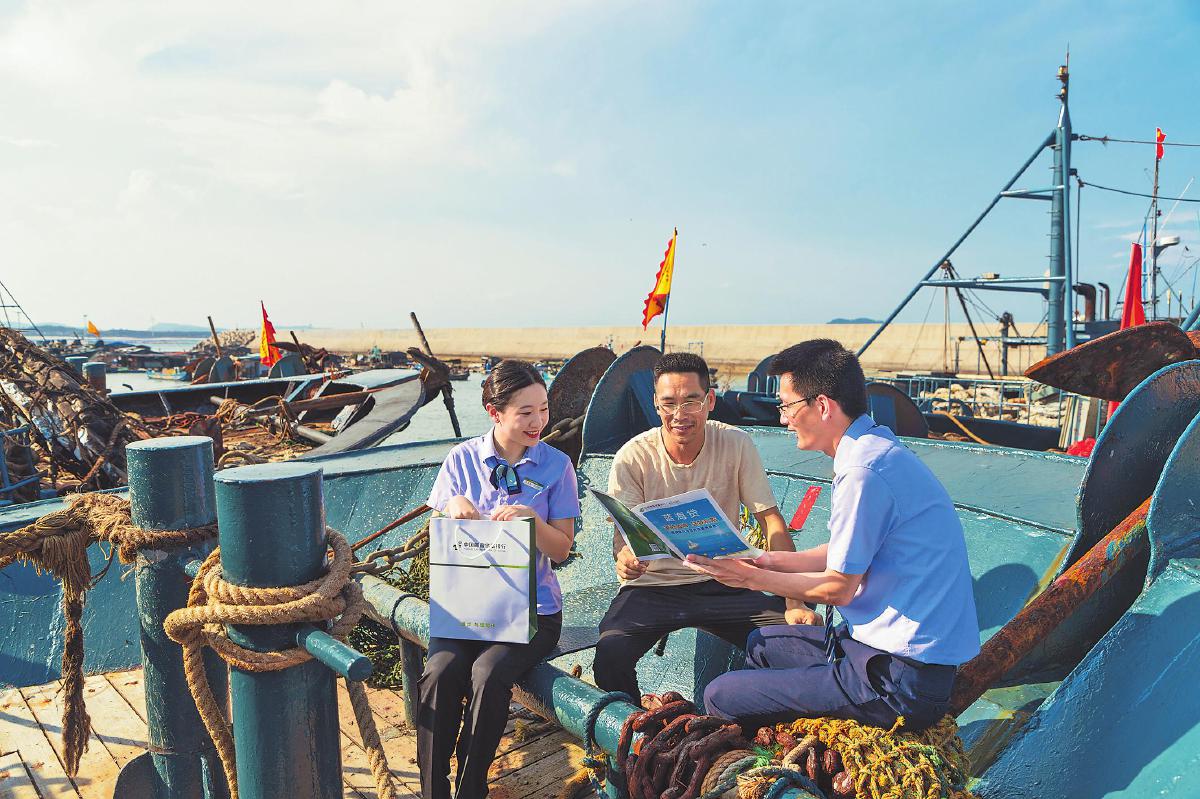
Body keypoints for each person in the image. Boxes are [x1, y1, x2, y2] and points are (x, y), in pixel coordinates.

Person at [687, 340, 980, 732]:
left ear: (822, 406)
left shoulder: (863, 472)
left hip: (897, 681)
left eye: (786, 406)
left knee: (720, 695)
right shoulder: (873, 448)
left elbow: (838, 589)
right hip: (877, 654)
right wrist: (762, 558)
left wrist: (749, 577)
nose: (783, 419)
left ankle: (769, 766)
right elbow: (843, 552)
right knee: (762, 644)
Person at [593, 352, 817, 700]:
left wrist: (794, 599)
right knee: (610, 655)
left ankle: (756, 709)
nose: (679, 415)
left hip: (724, 579)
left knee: (802, 643)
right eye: (669, 403)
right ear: (655, 404)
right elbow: (624, 535)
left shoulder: (736, 444)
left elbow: (770, 520)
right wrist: (625, 559)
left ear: (710, 401)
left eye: (691, 401)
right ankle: (636, 723)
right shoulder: (633, 456)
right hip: (653, 587)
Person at [416, 359, 581, 799]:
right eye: (525, 412)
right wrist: (451, 508)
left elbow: (561, 549)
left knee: (488, 674)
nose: (538, 421)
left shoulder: (557, 466)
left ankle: (472, 789)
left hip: (532, 612)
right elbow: (440, 534)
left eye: (543, 409)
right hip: (466, 608)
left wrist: (532, 520)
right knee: (439, 671)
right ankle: (432, 790)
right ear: (495, 412)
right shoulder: (461, 459)